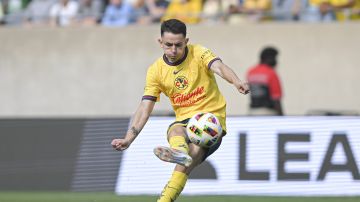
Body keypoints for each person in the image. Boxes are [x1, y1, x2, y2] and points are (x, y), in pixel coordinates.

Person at [111, 19, 249, 202]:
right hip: (184, 119)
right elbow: (145, 107)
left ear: (186, 41)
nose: (174, 50)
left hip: (210, 118)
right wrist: (129, 138)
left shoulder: (199, 52)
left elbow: (218, 67)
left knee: (197, 148)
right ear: (160, 42)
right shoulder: (156, 71)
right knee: (176, 131)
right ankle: (179, 153)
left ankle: (180, 158)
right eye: (168, 45)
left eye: (178, 45)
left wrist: (236, 81)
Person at [246, 46, 284, 116]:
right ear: (268, 58)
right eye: (274, 58)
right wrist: (282, 116)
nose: (276, 61)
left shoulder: (251, 72)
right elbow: (276, 98)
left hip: (252, 111)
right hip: (268, 113)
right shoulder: (271, 73)